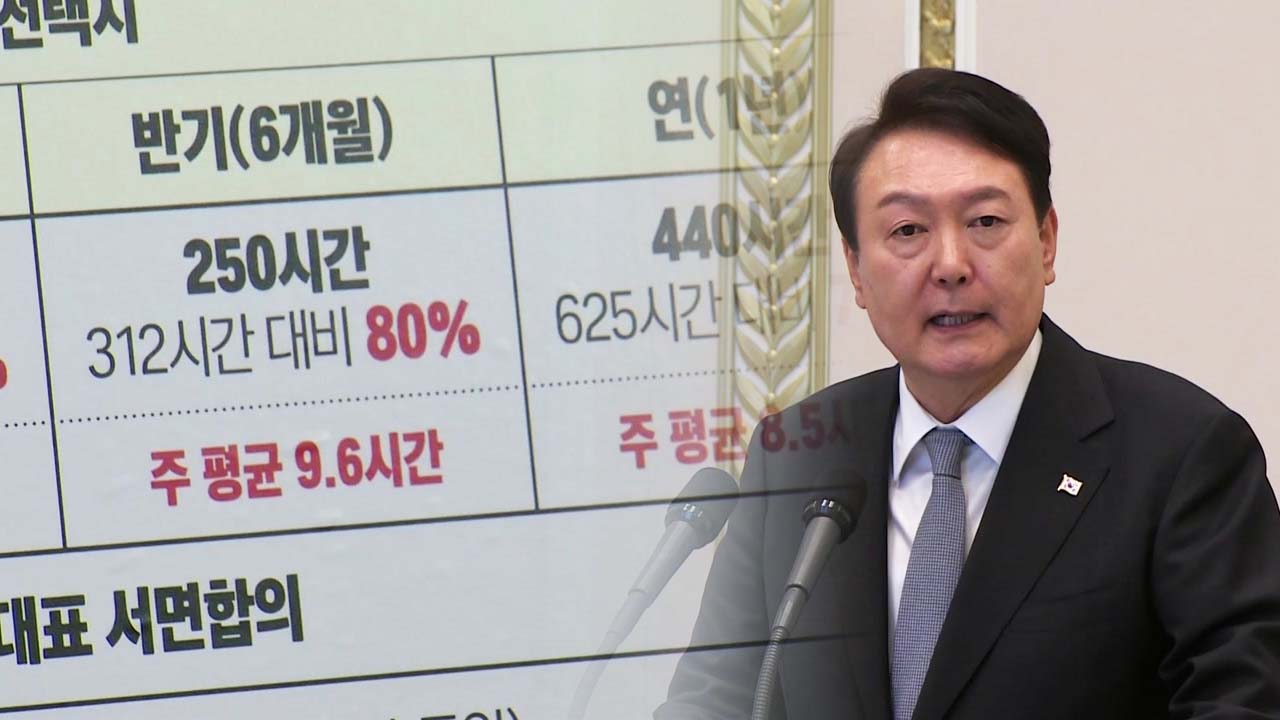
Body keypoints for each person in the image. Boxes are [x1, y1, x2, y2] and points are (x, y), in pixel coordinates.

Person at [654, 68, 1280, 719]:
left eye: (985, 221)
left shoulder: (1179, 452)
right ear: (856, 269)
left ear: (1046, 242)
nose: (951, 264)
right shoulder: (797, 452)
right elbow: (713, 698)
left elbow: (1244, 700)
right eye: (907, 231)